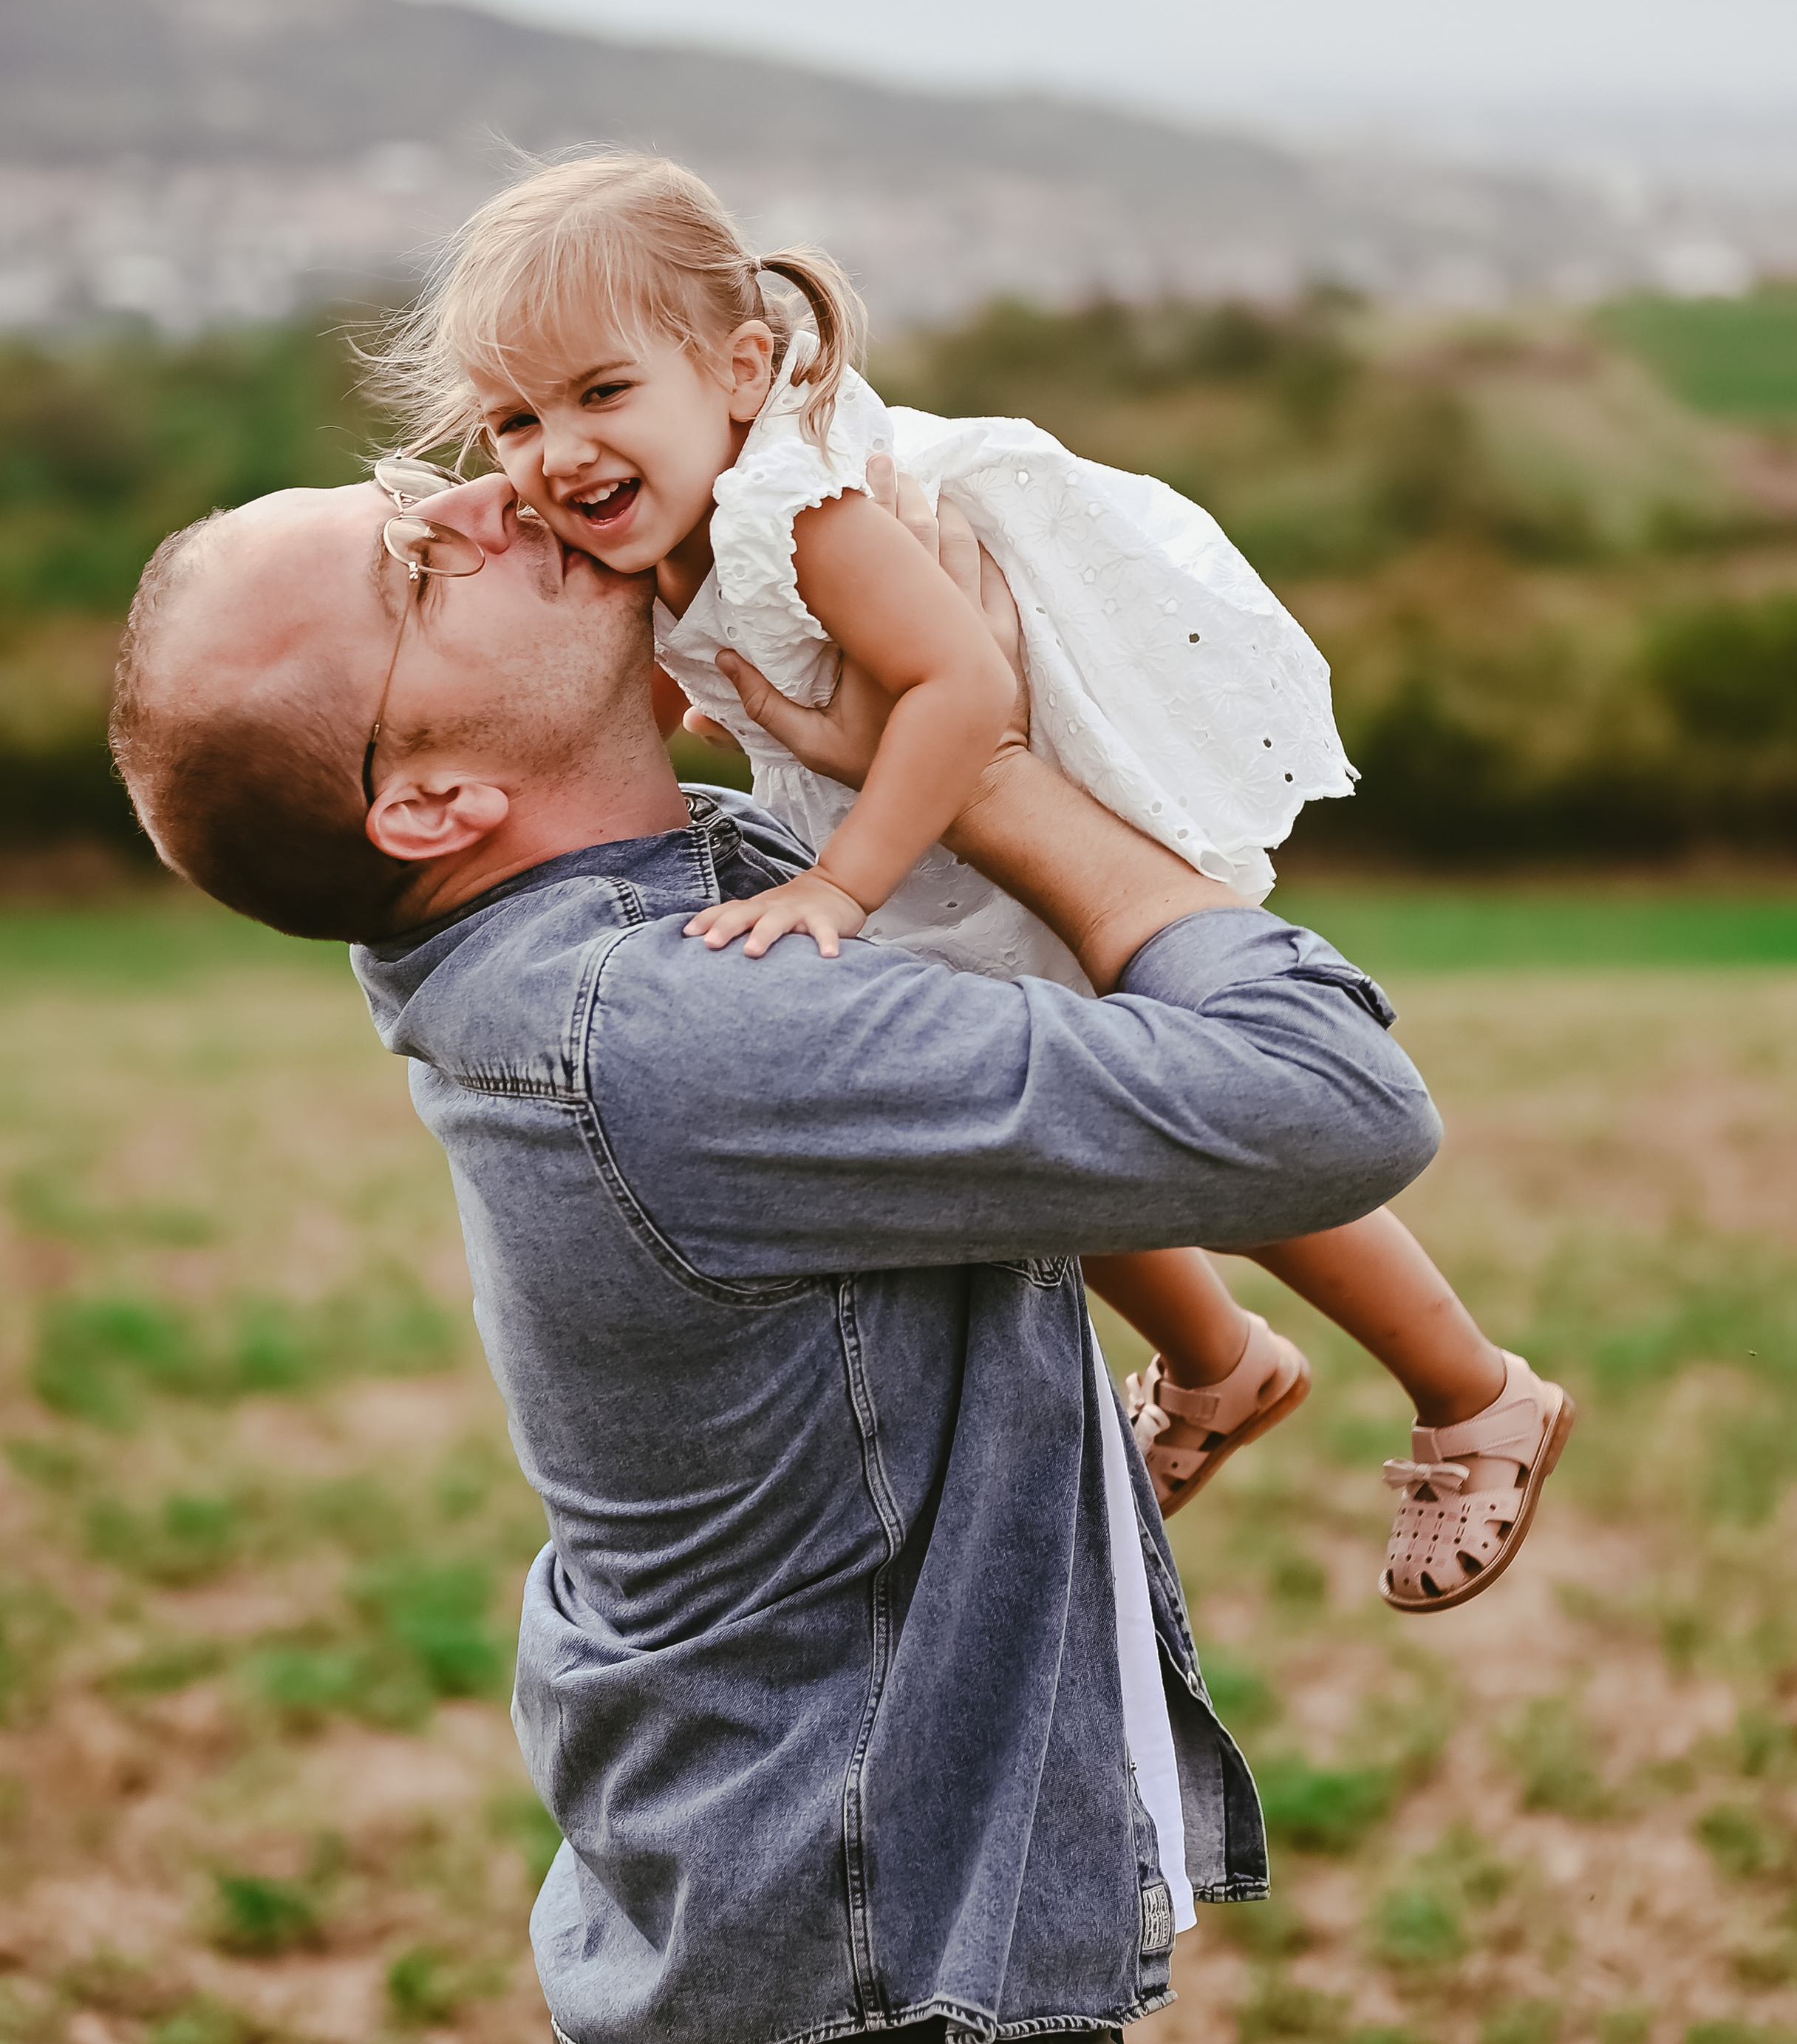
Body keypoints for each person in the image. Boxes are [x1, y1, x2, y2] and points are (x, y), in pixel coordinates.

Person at [110, 450, 1439, 2044]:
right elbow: (1337, 1103)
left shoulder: (609, 937)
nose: (486, 495)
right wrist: (990, 776)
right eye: (414, 564)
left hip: (711, 1997)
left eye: (418, 482)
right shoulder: (675, 1028)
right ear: (431, 800)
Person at [366, 153, 1572, 1613]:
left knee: (1187, 1130)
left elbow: (962, 687)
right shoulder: (657, 530)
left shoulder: (799, 512)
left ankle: (1473, 1389)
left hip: (952, 825)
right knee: (1030, 1149)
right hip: (901, 837)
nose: (557, 453)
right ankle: (1221, 1362)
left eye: (600, 393)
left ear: (738, 370)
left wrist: (839, 887)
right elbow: (719, 681)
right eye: (514, 420)